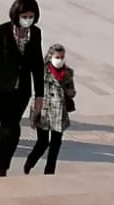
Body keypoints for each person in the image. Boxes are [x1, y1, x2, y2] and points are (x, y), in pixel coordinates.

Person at [0, 0, 44, 176]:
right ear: (16, 14)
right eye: (24, 16)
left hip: (21, 91)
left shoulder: (36, 33)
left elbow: (37, 65)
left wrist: (40, 95)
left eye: (31, 16)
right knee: (11, 127)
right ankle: (0, 169)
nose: (28, 20)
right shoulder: (1, 31)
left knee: (11, 130)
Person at [25, 43, 76, 175]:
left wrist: (70, 92)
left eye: (62, 57)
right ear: (50, 57)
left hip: (59, 113)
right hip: (44, 112)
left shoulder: (68, 73)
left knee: (56, 144)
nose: (59, 60)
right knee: (42, 143)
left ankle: (49, 170)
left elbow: (71, 90)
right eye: (57, 57)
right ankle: (30, 161)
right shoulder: (42, 72)